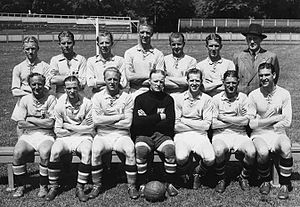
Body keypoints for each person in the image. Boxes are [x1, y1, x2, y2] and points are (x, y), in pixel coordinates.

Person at [89, 67, 139, 199]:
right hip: (103, 135)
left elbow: (127, 123)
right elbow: (96, 121)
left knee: (130, 149)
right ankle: (96, 185)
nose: (112, 82)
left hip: (121, 135)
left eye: (115, 79)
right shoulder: (97, 97)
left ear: (119, 80)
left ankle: (132, 186)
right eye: (109, 79)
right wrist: (118, 117)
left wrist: (105, 120)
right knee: (95, 150)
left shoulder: (127, 97)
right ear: (104, 80)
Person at [248, 63, 293, 199]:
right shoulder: (254, 95)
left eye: (267, 75)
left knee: (286, 147)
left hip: (278, 133)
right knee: (262, 151)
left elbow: (287, 121)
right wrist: (276, 118)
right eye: (261, 75)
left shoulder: (284, 93)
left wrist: (262, 122)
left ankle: (284, 184)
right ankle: (265, 181)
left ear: (273, 75)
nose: (264, 78)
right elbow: (251, 124)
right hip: (259, 134)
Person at [130, 69, 178, 197]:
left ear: (164, 83)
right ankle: (142, 183)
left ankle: (170, 183)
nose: (158, 84)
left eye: (161, 81)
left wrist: (147, 119)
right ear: (149, 81)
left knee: (170, 150)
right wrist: (158, 117)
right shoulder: (140, 99)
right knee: (141, 151)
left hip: (162, 135)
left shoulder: (168, 100)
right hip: (144, 135)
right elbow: (137, 123)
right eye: (155, 81)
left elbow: (169, 124)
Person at [46, 76, 94, 202]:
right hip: (65, 137)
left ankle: (80, 187)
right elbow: (57, 130)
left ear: (79, 87)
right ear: (64, 89)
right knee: (55, 151)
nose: (72, 91)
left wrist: (68, 126)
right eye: (68, 88)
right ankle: (54, 187)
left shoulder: (87, 103)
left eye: (74, 87)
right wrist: (79, 127)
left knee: (86, 152)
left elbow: (90, 129)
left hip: (83, 137)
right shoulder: (60, 104)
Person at [11, 73, 56, 198]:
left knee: (45, 152)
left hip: (46, 135)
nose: (37, 87)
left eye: (40, 84)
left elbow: (51, 123)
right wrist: (41, 123)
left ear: (44, 84)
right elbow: (20, 123)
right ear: (30, 85)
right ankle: (21, 185)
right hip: (29, 135)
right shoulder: (25, 99)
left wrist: (30, 119)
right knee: (17, 152)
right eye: (34, 84)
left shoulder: (51, 99)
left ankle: (43, 185)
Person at [211, 70, 256, 193]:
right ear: (223, 83)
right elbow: (213, 124)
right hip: (221, 134)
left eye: (234, 83)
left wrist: (224, 118)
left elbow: (246, 122)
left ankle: (243, 176)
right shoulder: (216, 99)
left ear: (238, 83)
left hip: (240, 134)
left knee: (251, 152)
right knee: (219, 151)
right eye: (228, 83)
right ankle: (221, 178)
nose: (231, 86)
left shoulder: (243, 98)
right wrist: (237, 119)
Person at [172, 68, 215, 189]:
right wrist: (197, 123)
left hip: (200, 135)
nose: (194, 83)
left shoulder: (207, 99)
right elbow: (176, 125)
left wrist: (184, 120)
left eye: (197, 80)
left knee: (210, 158)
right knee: (181, 157)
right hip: (182, 135)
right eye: (192, 80)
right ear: (187, 81)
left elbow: (206, 125)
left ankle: (198, 173)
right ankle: (184, 173)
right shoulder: (178, 99)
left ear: (201, 82)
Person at [11, 36, 51, 136]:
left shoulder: (45, 66)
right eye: (27, 49)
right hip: (23, 101)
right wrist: (31, 92)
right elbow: (15, 91)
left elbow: (46, 88)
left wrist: (24, 88)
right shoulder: (18, 68)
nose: (30, 51)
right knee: (21, 124)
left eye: (33, 48)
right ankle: (21, 142)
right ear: (23, 50)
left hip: (41, 101)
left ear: (37, 48)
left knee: (42, 126)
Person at [233, 23, 280, 95]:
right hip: (243, 98)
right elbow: (233, 78)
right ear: (246, 40)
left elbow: (274, 79)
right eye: (249, 39)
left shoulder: (271, 57)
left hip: (261, 97)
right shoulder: (238, 57)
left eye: (254, 39)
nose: (252, 42)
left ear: (260, 40)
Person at [124, 17, 165, 98]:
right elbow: (129, 77)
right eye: (142, 32)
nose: (145, 35)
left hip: (153, 93)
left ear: (152, 34)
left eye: (147, 33)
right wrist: (151, 77)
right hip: (134, 93)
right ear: (138, 33)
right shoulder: (129, 53)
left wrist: (137, 78)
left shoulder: (158, 54)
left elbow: (159, 78)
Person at [86, 31, 127, 96]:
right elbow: (90, 83)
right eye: (102, 43)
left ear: (112, 43)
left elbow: (123, 83)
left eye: (107, 43)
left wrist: (99, 84)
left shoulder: (120, 60)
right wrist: (113, 83)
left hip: (116, 97)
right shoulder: (91, 61)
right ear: (98, 44)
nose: (104, 45)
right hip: (97, 97)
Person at [50, 31, 87, 98]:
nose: (66, 46)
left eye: (69, 43)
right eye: (63, 43)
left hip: (78, 94)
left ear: (74, 43)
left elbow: (82, 83)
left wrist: (61, 78)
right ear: (59, 44)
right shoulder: (55, 60)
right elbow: (53, 80)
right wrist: (73, 77)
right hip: (61, 95)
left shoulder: (81, 59)